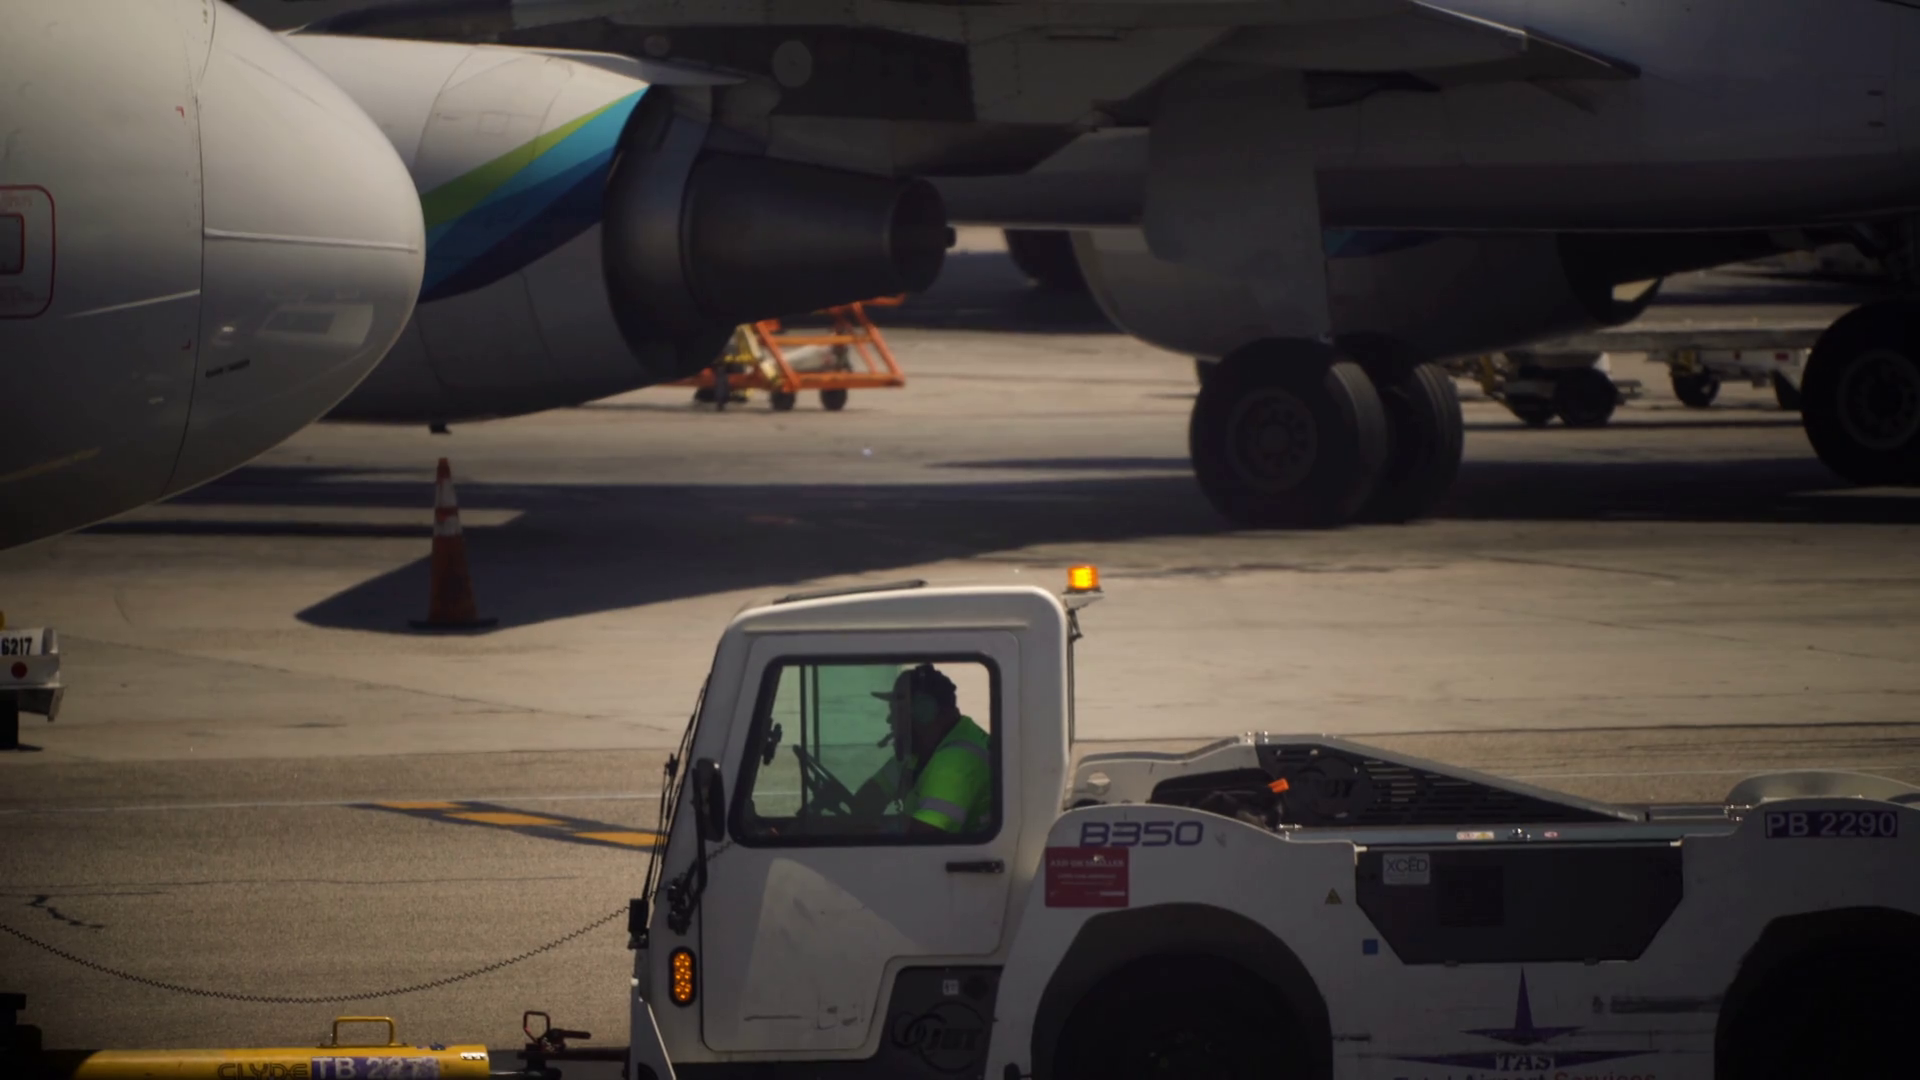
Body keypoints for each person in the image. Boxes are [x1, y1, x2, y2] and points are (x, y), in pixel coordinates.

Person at [848, 664, 991, 835]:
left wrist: (881, 831)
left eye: (896, 711)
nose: (889, 720)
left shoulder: (956, 762)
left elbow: (925, 837)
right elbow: (867, 799)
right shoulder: (923, 749)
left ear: (924, 711)